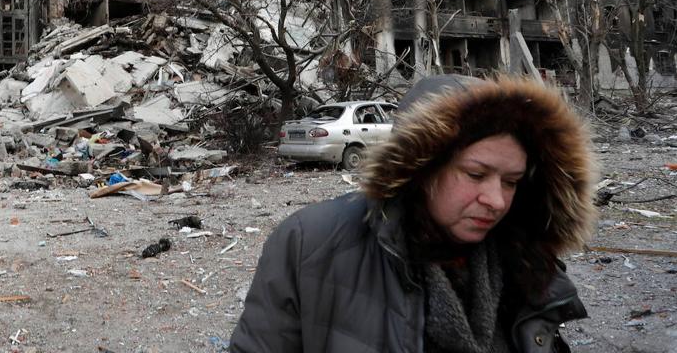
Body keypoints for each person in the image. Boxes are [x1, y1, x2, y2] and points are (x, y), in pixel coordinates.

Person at [230, 75, 597, 352]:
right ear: (420, 169)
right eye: (475, 174)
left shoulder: (525, 262)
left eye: (511, 181)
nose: (497, 200)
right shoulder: (309, 243)